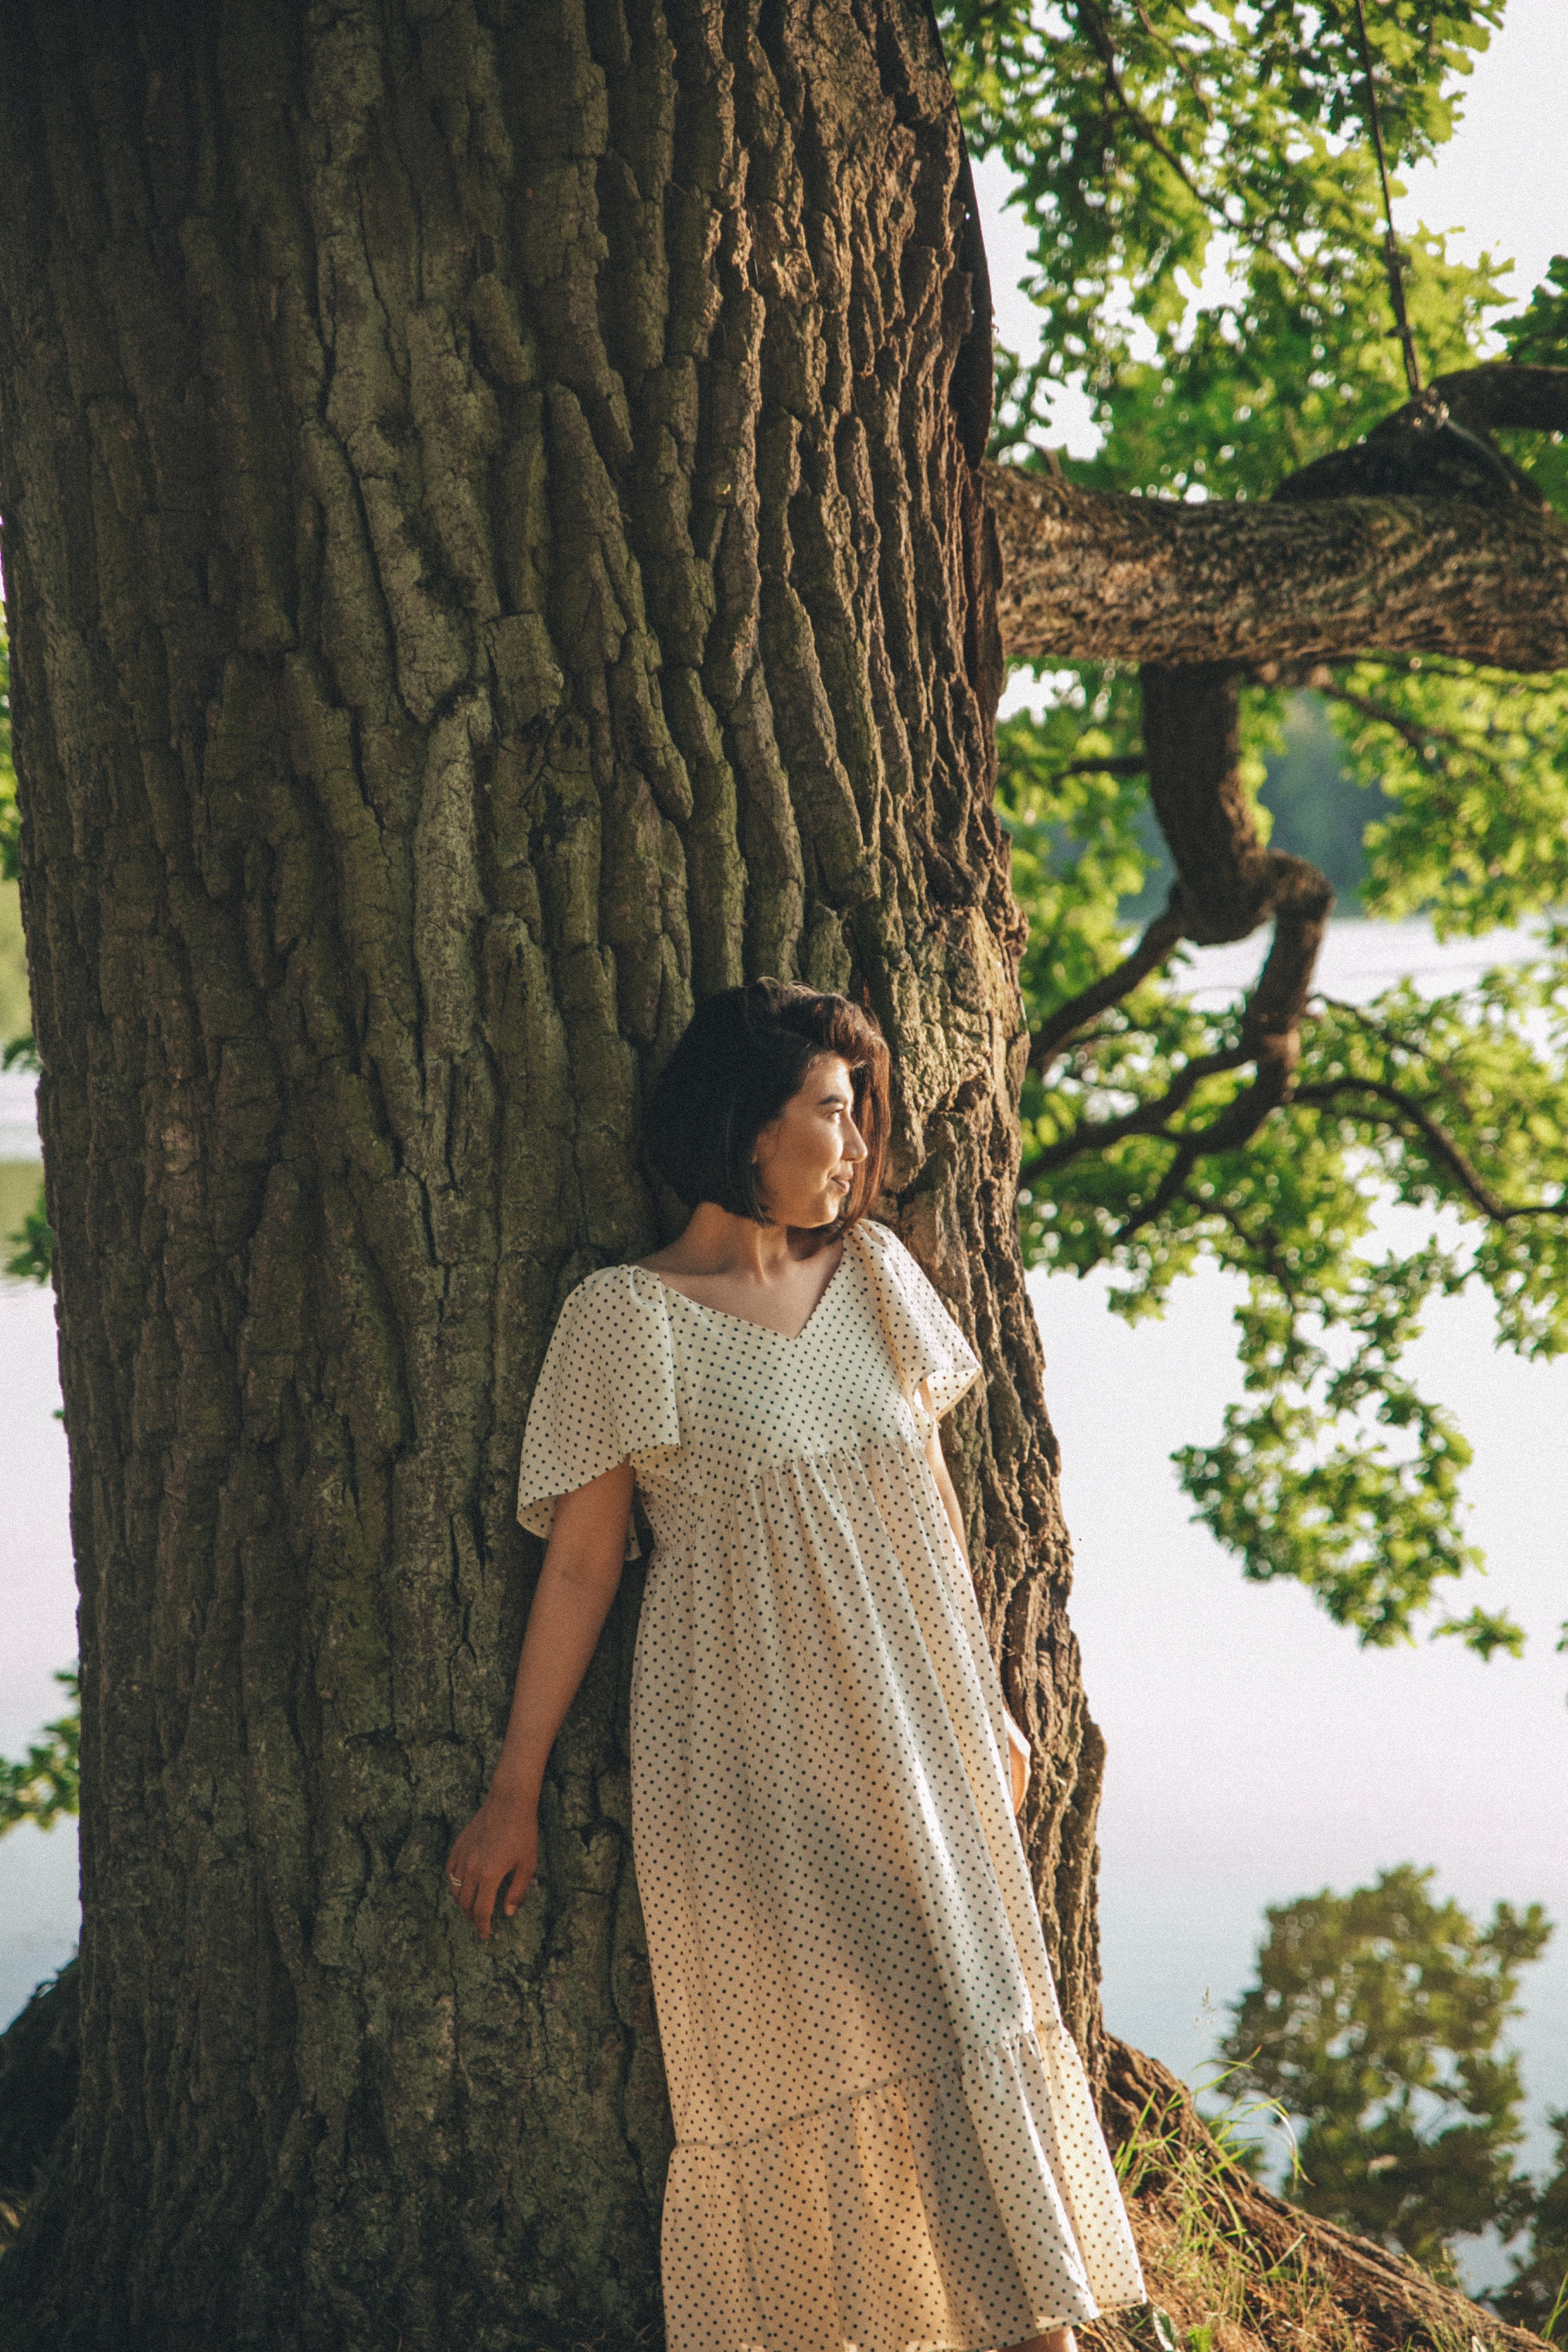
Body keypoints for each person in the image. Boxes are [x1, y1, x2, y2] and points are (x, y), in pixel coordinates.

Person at [445, 978, 1145, 2352]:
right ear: (748, 1125)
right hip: (750, 1746)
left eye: (860, 1112)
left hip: (922, 1727)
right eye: (834, 1110)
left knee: (972, 2011)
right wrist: (513, 1788)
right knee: (824, 2052)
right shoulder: (626, 1315)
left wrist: (989, 1701)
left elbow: (932, 1502)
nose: (859, 1144)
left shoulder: (874, 1273)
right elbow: (582, 1568)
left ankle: (1041, 2331)